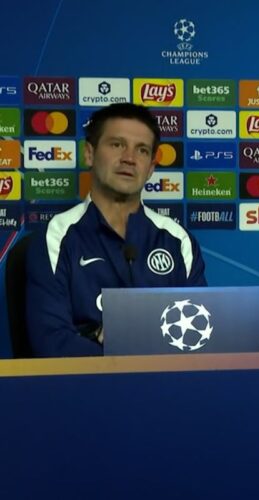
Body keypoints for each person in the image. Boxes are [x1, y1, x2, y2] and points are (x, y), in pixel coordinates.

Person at [25, 103, 206, 357]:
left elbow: (200, 338)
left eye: (142, 150)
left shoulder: (178, 240)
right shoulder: (55, 237)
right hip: (85, 382)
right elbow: (51, 343)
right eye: (117, 144)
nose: (129, 158)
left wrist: (115, 341)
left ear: (151, 168)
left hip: (168, 381)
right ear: (89, 154)